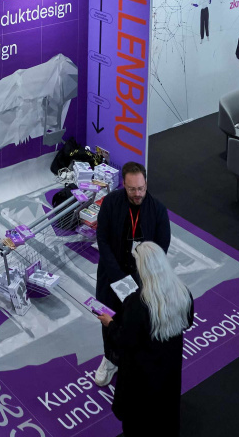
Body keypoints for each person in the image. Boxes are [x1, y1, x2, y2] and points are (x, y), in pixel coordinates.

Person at [92, 161, 171, 387]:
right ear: (123, 185)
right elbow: (103, 239)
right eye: (132, 189)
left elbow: (161, 248)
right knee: (108, 318)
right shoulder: (110, 203)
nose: (138, 194)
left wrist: (141, 276)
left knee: (137, 321)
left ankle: (133, 359)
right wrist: (117, 275)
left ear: (146, 184)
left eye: (141, 188)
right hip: (111, 276)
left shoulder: (158, 210)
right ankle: (110, 359)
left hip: (143, 279)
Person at [108, 241, 192, 435]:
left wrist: (110, 324)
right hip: (169, 370)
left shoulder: (137, 303)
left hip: (141, 378)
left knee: (138, 423)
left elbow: (124, 340)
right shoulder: (182, 293)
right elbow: (187, 321)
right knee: (165, 414)